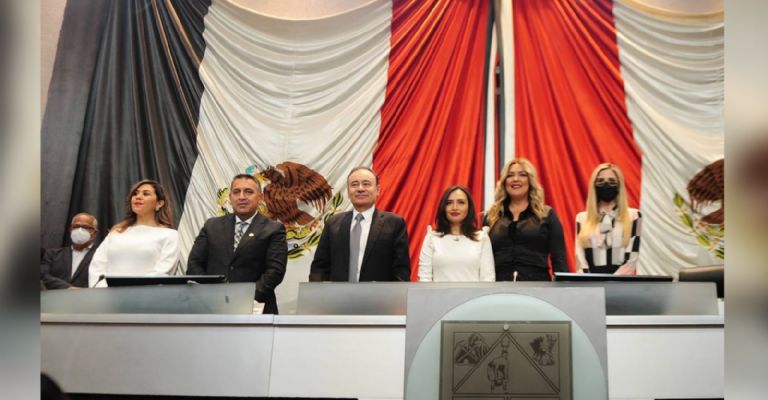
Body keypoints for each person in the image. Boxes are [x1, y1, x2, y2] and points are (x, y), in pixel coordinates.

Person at [187, 174, 287, 314]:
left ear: (260, 197)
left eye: (248, 192)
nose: (241, 197)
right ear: (230, 197)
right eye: (236, 192)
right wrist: (211, 294)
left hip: (255, 308)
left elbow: (275, 272)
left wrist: (242, 299)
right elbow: (194, 264)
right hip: (211, 307)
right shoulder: (211, 226)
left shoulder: (273, 229)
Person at [309, 166, 411, 282]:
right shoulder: (333, 223)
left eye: (366, 184)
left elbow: (401, 271)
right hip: (338, 293)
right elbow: (319, 268)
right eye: (354, 184)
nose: (360, 189)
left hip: (379, 294)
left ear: (378, 190)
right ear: (348, 191)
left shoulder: (394, 224)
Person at [484, 158, 569, 281]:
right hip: (499, 286)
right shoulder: (491, 216)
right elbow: (483, 260)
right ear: (504, 181)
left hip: (537, 286)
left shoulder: (546, 215)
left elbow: (559, 261)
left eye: (522, 175)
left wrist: (563, 288)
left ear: (530, 180)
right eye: (510, 175)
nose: (515, 179)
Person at [88, 180, 180, 287]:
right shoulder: (116, 232)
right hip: (108, 294)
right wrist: (103, 289)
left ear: (159, 203)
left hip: (147, 295)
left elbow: (163, 272)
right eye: (135, 194)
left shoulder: (170, 235)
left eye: (146, 194)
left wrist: (133, 290)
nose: (138, 197)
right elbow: (97, 266)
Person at [575, 163, 642, 275]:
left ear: (619, 185)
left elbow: (631, 259)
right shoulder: (582, 219)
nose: (606, 185)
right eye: (600, 181)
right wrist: (587, 280)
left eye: (611, 181)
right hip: (590, 283)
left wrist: (612, 281)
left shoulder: (634, 216)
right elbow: (580, 258)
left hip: (622, 283)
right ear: (594, 185)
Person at [418, 185, 494, 282]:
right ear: (443, 207)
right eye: (449, 203)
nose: (455, 207)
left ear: (469, 207)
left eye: (461, 202)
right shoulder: (432, 238)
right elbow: (424, 279)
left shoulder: (482, 238)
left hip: (475, 293)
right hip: (438, 293)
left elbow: (488, 279)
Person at [40, 213, 99, 289]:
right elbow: (43, 275)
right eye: (76, 226)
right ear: (70, 229)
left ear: (94, 233)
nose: (80, 230)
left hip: (88, 296)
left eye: (85, 227)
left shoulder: (101, 256)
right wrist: (68, 288)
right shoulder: (52, 254)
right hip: (56, 295)